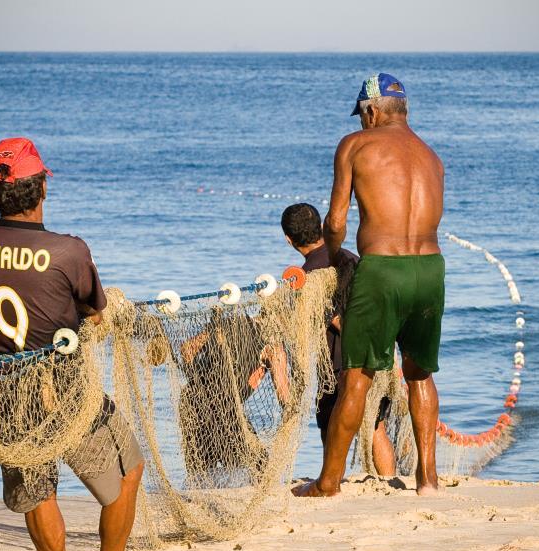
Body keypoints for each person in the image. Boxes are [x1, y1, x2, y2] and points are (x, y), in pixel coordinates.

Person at [0, 137, 150, 551]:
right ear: (42, 190)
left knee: (36, 488)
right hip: (64, 384)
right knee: (129, 467)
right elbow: (94, 310)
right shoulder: (69, 250)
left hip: (6, 382)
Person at [292, 73, 445, 497]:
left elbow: (336, 221)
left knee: (355, 376)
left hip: (382, 270)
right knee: (419, 373)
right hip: (431, 269)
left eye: (363, 115)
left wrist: (338, 256)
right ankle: (428, 480)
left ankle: (327, 483)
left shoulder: (355, 145)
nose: (362, 122)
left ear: (372, 111)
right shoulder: (432, 157)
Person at [281, 203, 396, 477]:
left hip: (338, 364)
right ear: (321, 228)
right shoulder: (352, 258)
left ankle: (331, 482)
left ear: (289, 239)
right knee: (375, 424)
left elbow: (330, 322)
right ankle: (390, 482)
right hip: (376, 354)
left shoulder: (308, 278)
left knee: (332, 427)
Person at [177, 308, 289, 483]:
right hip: (225, 406)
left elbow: (186, 350)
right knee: (258, 467)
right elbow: (283, 394)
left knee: (201, 471)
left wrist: (202, 379)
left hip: (191, 400)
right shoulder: (274, 348)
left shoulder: (227, 324)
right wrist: (293, 410)